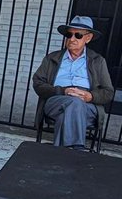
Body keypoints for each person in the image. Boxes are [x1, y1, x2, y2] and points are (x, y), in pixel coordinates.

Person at [32, 14, 114, 148]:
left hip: (87, 105)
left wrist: (90, 96)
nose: (72, 39)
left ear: (88, 38)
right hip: (57, 100)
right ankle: (76, 150)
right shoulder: (52, 58)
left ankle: (64, 151)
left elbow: (108, 92)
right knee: (74, 103)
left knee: (68, 113)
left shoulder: (97, 61)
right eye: (69, 35)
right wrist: (63, 91)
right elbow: (38, 84)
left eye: (78, 35)